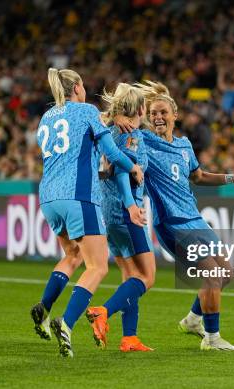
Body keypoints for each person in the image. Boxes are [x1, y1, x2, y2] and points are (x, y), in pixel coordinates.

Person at [127, 81, 234, 351]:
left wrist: (231, 177)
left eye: (163, 113)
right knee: (213, 276)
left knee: (226, 273)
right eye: (153, 114)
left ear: (174, 115)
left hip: (194, 218)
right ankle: (212, 338)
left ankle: (194, 320)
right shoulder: (144, 141)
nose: (158, 117)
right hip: (171, 222)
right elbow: (122, 129)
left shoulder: (184, 145)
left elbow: (199, 176)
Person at [30, 68, 143, 358]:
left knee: (72, 256)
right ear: (78, 86)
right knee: (98, 267)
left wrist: (109, 120)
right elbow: (111, 152)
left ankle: (44, 309)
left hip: (48, 196)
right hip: (78, 195)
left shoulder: (47, 116)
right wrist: (133, 167)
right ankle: (66, 324)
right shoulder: (87, 110)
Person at [86, 83, 154, 352]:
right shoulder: (131, 135)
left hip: (107, 213)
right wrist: (130, 206)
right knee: (147, 276)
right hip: (126, 212)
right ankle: (104, 311)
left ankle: (129, 338)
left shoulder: (111, 132)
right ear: (140, 108)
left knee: (130, 276)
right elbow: (122, 171)